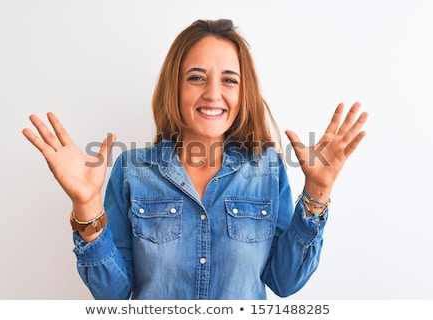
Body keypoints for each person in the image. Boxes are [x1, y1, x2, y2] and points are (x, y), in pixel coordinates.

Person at [22, 19, 368, 300]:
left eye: (229, 80)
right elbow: (113, 294)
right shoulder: (132, 171)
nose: (213, 93)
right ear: (175, 87)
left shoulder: (268, 169)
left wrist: (318, 193)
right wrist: (85, 204)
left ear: (242, 93)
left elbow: (285, 282)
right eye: (197, 78)